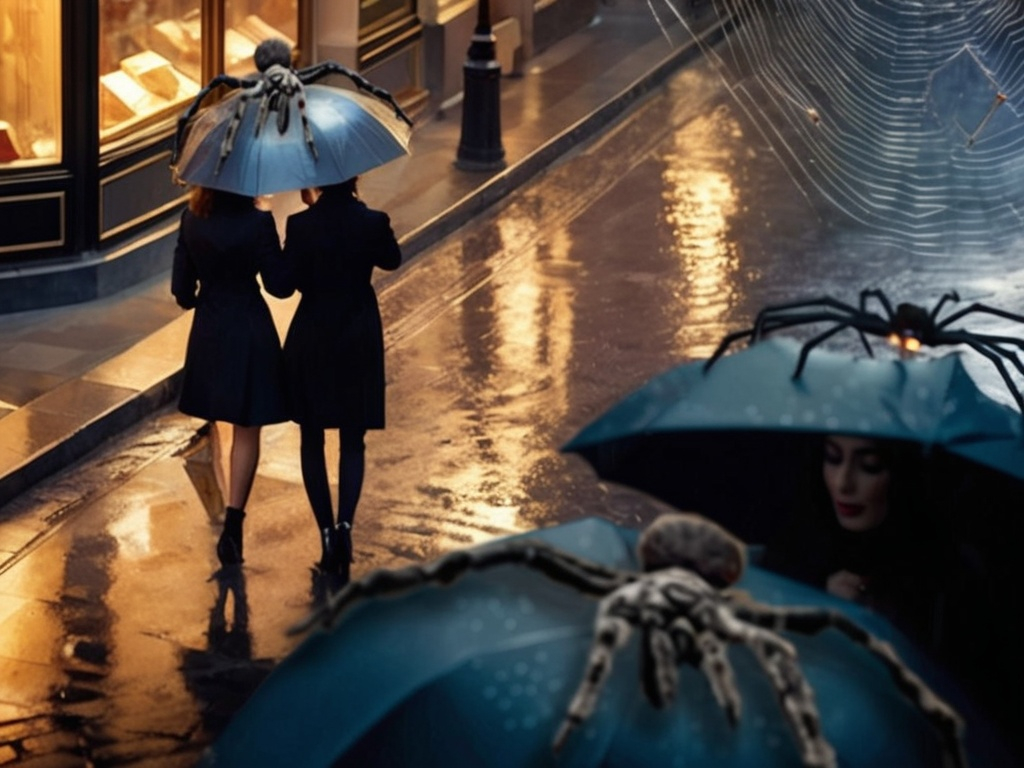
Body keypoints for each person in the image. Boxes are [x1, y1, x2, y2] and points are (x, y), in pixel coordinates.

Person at [279, 177, 402, 582]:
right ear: (354, 179)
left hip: (312, 337)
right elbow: (392, 259)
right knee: (353, 439)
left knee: (311, 438)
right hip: (358, 338)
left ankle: (327, 533)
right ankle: (347, 525)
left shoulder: (301, 225)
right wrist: (368, 217)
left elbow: (283, 286)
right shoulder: (372, 220)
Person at [171, 185, 291, 567]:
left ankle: (220, 501)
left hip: (210, 329)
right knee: (246, 425)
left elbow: (182, 292)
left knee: (214, 415)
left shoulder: (191, 220)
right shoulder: (258, 222)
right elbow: (280, 286)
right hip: (249, 329)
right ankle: (234, 522)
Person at [759, 434, 958, 651]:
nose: (842, 483)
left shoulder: (945, 580)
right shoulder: (793, 549)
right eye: (832, 458)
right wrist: (818, 601)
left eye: (869, 466)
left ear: (905, 472)